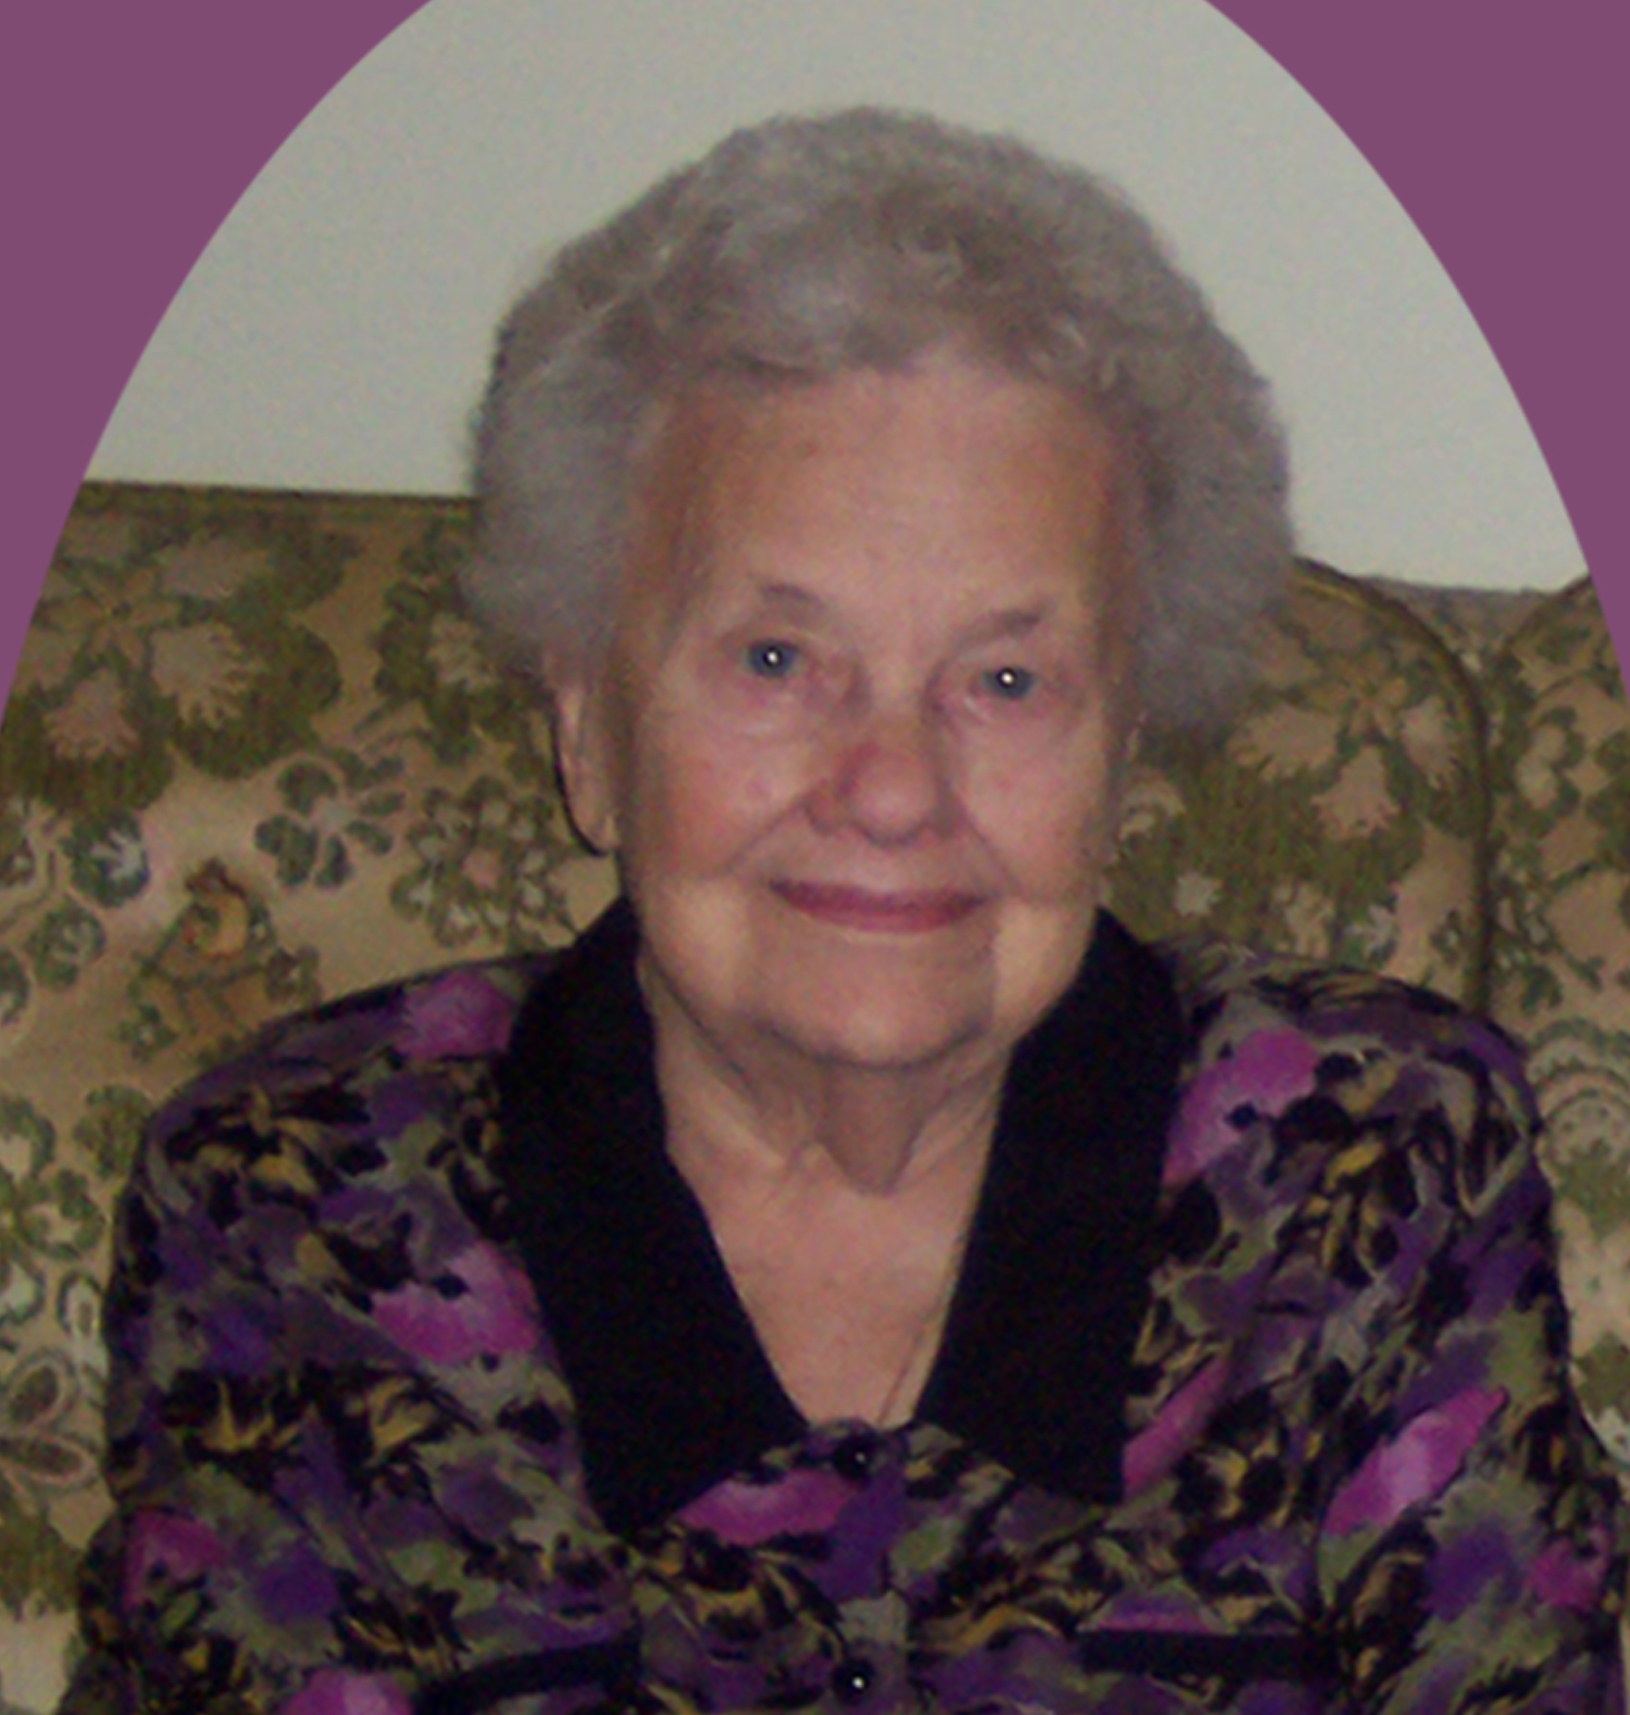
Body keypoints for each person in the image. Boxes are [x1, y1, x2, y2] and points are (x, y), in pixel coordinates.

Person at [66, 109, 1625, 1714]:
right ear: (587, 725)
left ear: (1121, 752)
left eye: (1005, 679)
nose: (891, 789)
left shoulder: (1364, 1167)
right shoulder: (296, 1211)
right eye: (774, 659)